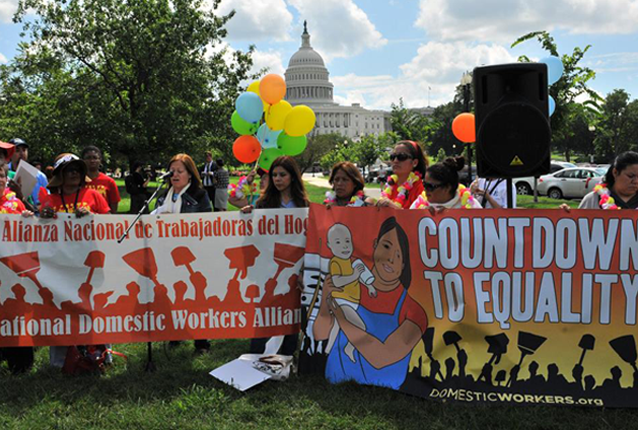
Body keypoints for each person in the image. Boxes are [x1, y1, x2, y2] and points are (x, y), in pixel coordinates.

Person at [313, 217, 428, 389]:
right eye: (386, 246)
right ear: (375, 245)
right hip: (335, 380)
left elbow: (381, 358)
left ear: (404, 263)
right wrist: (325, 301)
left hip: (381, 388)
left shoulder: (414, 310)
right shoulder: (351, 287)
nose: (390, 259)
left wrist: (341, 318)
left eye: (399, 255)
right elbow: (319, 335)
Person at [39, 153, 111, 368]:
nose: (74, 173)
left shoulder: (94, 196)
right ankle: (60, 361)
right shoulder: (49, 200)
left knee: (92, 309)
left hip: (88, 265)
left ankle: (101, 355)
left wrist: (92, 216)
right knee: (60, 310)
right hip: (58, 266)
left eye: (78, 170)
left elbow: (110, 224)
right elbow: (38, 232)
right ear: (60, 175)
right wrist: (41, 217)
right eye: (69, 170)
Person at [242, 156, 309, 356]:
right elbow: (254, 234)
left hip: (294, 268)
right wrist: (248, 214)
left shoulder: (304, 204)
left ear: (293, 177)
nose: (278, 179)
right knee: (265, 311)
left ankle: (286, 356)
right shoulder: (264, 203)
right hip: (268, 267)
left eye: (282, 175)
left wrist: (304, 270)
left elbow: (309, 238)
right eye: (274, 175)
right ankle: (256, 355)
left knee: (290, 312)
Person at [152, 153, 212, 354]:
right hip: (166, 253)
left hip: (192, 254)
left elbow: (207, 223)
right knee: (172, 294)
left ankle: (201, 342)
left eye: (180, 171)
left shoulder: (199, 196)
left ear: (190, 174)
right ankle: (175, 333)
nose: (175, 175)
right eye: (172, 171)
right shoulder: (162, 196)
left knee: (196, 296)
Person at [0, 161, 35, 373]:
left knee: (17, 313)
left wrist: (28, 221)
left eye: (1, 176)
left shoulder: (17, 204)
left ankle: (20, 363)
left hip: (15, 270)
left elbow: (32, 238)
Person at [410, 156, 483, 210]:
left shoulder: (471, 205)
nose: (425, 190)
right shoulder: (419, 205)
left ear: (447, 188)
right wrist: (422, 216)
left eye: (430, 186)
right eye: (424, 184)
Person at [377, 140, 427, 209]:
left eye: (401, 157)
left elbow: (419, 218)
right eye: (393, 157)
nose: (395, 161)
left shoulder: (421, 188)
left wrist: (394, 207)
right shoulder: (390, 185)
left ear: (414, 163)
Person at [7, 138, 49, 208]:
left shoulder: (39, 176)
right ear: (10, 153)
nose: (22, 153)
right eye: (17, 150)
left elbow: (47, 202)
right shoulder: (4, 174)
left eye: (24, 150)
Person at [81, 146, 121, 214]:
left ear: (100, 160)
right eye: (88, 158)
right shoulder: (78, 181)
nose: (92, 161)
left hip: (102, 221)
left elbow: (114, 209)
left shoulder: (109, 182)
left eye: (95, 158)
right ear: (82, 160)